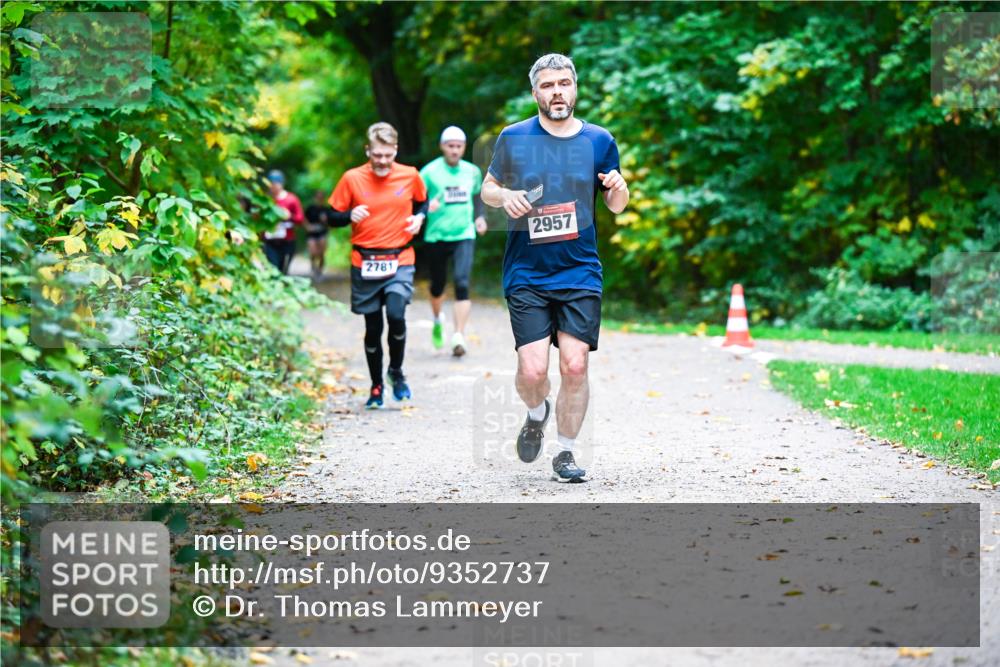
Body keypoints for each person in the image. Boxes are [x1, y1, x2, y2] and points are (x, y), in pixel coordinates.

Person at [480, 53, 629, 482]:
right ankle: (536, 411)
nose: (557, 91)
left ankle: (565, 453)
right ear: (535, 93)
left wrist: (620, 187)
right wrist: (504, 195)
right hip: (527, 271)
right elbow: (488, 188)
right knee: (532, 372)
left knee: (575, 366)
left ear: (575, 87)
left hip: (580, 269)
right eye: (548, 85)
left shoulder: (599, 140)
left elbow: (616, 206)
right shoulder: (513, 137)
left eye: (564, 83)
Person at [327, 122, 428, 409]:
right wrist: (348, 215)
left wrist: (420, 219)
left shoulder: (410, 175)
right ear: (367, 150)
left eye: (388, 155)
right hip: (365, 261)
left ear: (395, 150)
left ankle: (395, 371)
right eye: (377, 155)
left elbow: (422, 202)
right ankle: (376, 386)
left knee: (396, 315)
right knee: (373, 328)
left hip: (399, 258)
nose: (383, 162)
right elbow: (330, 217)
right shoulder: (351, 178)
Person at [419, 126, 488, 357]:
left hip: (464, 234)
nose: (455, 150)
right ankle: (438, 319)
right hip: (436, 235)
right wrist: (428, 207)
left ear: (464, 147)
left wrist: (480, 217)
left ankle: (459, 335)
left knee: (461, 282)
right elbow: (415, 201)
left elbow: (478, 195)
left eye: (459, 146)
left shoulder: (471, 172)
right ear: (442, 147)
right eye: (451, 146)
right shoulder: (428, 173)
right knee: (437, 285)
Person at [262, 170, 303, 275]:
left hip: (287, 241)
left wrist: (289, 216)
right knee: (272, 268)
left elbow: (300, 219)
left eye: (276, 184)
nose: (273, 187)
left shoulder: (291, 199)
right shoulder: (264, 199)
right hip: (269, 241)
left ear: (282, 184)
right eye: (271, 184)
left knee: (283, 269)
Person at [304, 190, 332, 281]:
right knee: (313, 252)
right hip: (311, 234)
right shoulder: (310, 208)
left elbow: (332, 222)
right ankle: (313, 267)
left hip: (322, 233)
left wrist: (326, 221)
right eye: (318, 197)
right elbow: (303, 219)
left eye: (321, 197)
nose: (319, 199)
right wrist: (308, 226)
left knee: (321, 253)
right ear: (315, 198)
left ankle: (319, 271)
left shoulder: (326, 210)